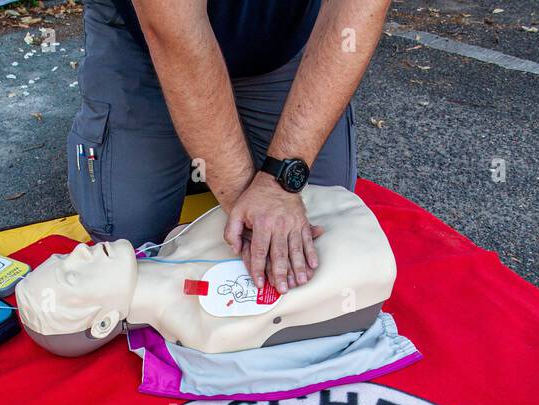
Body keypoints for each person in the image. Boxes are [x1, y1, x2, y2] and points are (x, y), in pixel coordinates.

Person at [67, 0, 393, 296]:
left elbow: (356, 11)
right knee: (126, 241)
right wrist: (248, 206)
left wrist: (281, 180)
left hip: (281, 39)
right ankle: (199, 143)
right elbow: (175, 34)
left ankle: (209, 142)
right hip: (149, 38)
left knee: (328, 223)